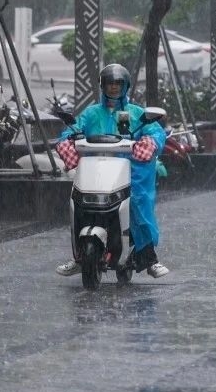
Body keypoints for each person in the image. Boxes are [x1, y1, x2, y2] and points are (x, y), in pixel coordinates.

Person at [54, 63, 169, 278]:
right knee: (79, 203)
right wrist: (66, 142)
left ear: (126, 86)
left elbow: (155, 132)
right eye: (109, 83)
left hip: (129, 173)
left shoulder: (136, 112)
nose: (114, 87)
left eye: (118, 83)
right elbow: (73, 130)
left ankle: (150, 257)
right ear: (102, 85)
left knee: (137, 203)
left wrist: (150, 142)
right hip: (95, 173)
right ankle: (79, 254)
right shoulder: (91, 113)